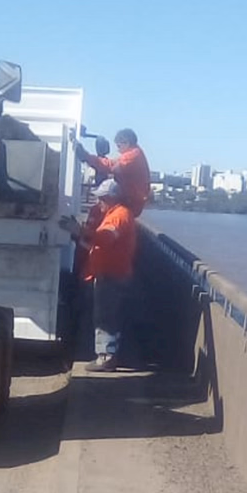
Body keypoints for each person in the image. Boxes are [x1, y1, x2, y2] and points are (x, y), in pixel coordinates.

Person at [60, 178, 136, 372]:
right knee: (106, 315)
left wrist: (80, 230)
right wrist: (79, 235)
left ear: (112, 198)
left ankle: (106, 357)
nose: (99, 202)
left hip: (111, 275)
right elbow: (98, 245)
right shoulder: (116, 214)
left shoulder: (119, 216)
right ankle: (107, 354)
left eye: (102, 198)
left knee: (105, 317)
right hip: (108, 273)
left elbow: (105, 238)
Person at [77, 128, 151, 217]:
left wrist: (87, 157)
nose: (118, 150)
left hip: (132, 201)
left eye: (119, 146)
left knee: (111, 189)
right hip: (134, 199)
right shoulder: (135, 152)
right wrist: (89, 158)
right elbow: (112, 164)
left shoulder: (131, 156)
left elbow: (112, 167)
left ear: (126, 143)